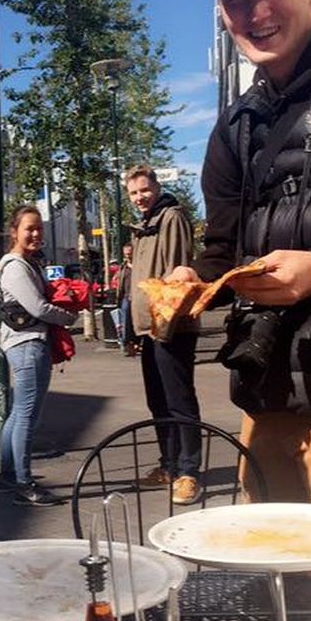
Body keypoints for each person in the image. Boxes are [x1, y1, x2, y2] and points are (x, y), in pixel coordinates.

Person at [169, 0, 311, 582]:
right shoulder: (235, 127)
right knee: (271, 600)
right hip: (265, 406)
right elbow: (222, 244)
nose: (256, 12)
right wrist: (186, 282)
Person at [126, 164, 203, 505]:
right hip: (149, 329)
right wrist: (134, 327)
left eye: (144, 190)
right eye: (133, 193)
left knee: (179, 400)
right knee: (158, 401)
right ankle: (168, 465)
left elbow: (175, 275)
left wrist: (165, 328)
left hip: (169, 328)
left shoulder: (170, 218)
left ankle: (189, 472)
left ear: (155, 188)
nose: (139, 197)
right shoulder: (143, 226)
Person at [0, 205, 78, 507]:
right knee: (28, 415)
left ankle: (7, 477)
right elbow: (39, 308)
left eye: (39, 228)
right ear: (14, 231)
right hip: (28, 344)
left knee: (19, 414)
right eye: (29, 228)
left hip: (24, 343)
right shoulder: (16, 266)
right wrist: (69, 318)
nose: (35, 234)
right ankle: (24, 483)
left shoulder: (27, 263)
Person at [113, 243, 140, 356]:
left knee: (138, 321)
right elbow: (118, 279)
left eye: (129, 253)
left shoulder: (139, 265)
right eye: (126, 253)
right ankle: (128, 344)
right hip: (127, 296)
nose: (127, 255)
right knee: (126, 321)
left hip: (138, 296)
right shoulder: (123, 266)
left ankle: (137, 343)